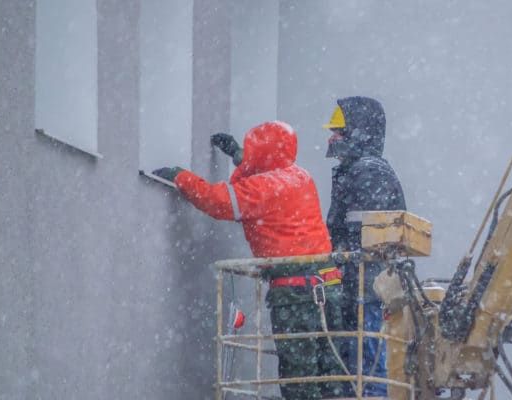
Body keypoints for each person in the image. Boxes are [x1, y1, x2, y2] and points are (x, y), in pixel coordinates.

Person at [153, 121, 349, 399]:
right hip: (328, 288)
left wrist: (180, 176)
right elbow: (264, 169)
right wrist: (237, 154)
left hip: (296, 296)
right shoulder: (300, 177)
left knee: (300, 379)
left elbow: (218, 201)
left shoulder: (264, 187)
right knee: (330, 375)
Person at [323, 96, 406, 397]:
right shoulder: (358, 170)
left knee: (366, 366)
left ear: (359, 132)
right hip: (358, 288)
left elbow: (364, 237)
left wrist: (339, 261)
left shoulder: (369, 172)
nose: (332, 137)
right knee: (359, 365)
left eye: (339, 130)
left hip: (365, 291)